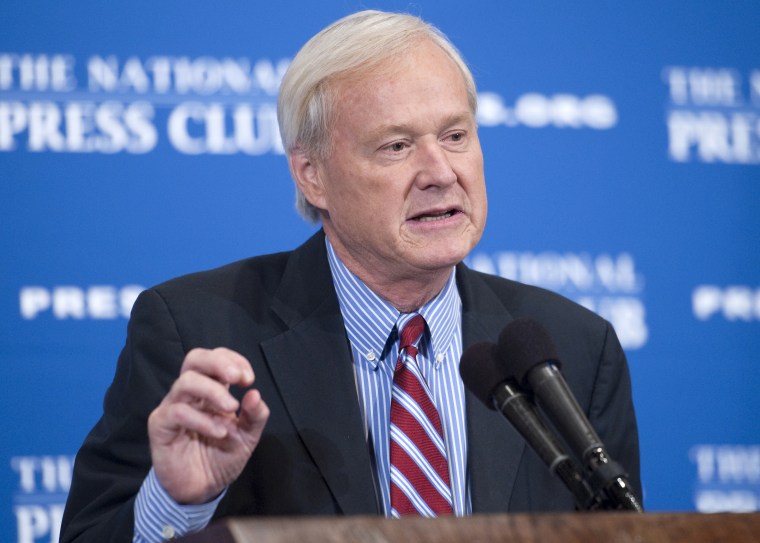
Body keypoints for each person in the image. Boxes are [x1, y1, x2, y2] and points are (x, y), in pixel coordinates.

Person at [60, 9, 641, 543]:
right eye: (395, 146)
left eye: (456, 135)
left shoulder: (575, 351)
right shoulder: (195, 332)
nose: (440, 172)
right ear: (312, 175)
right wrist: (176, 505)